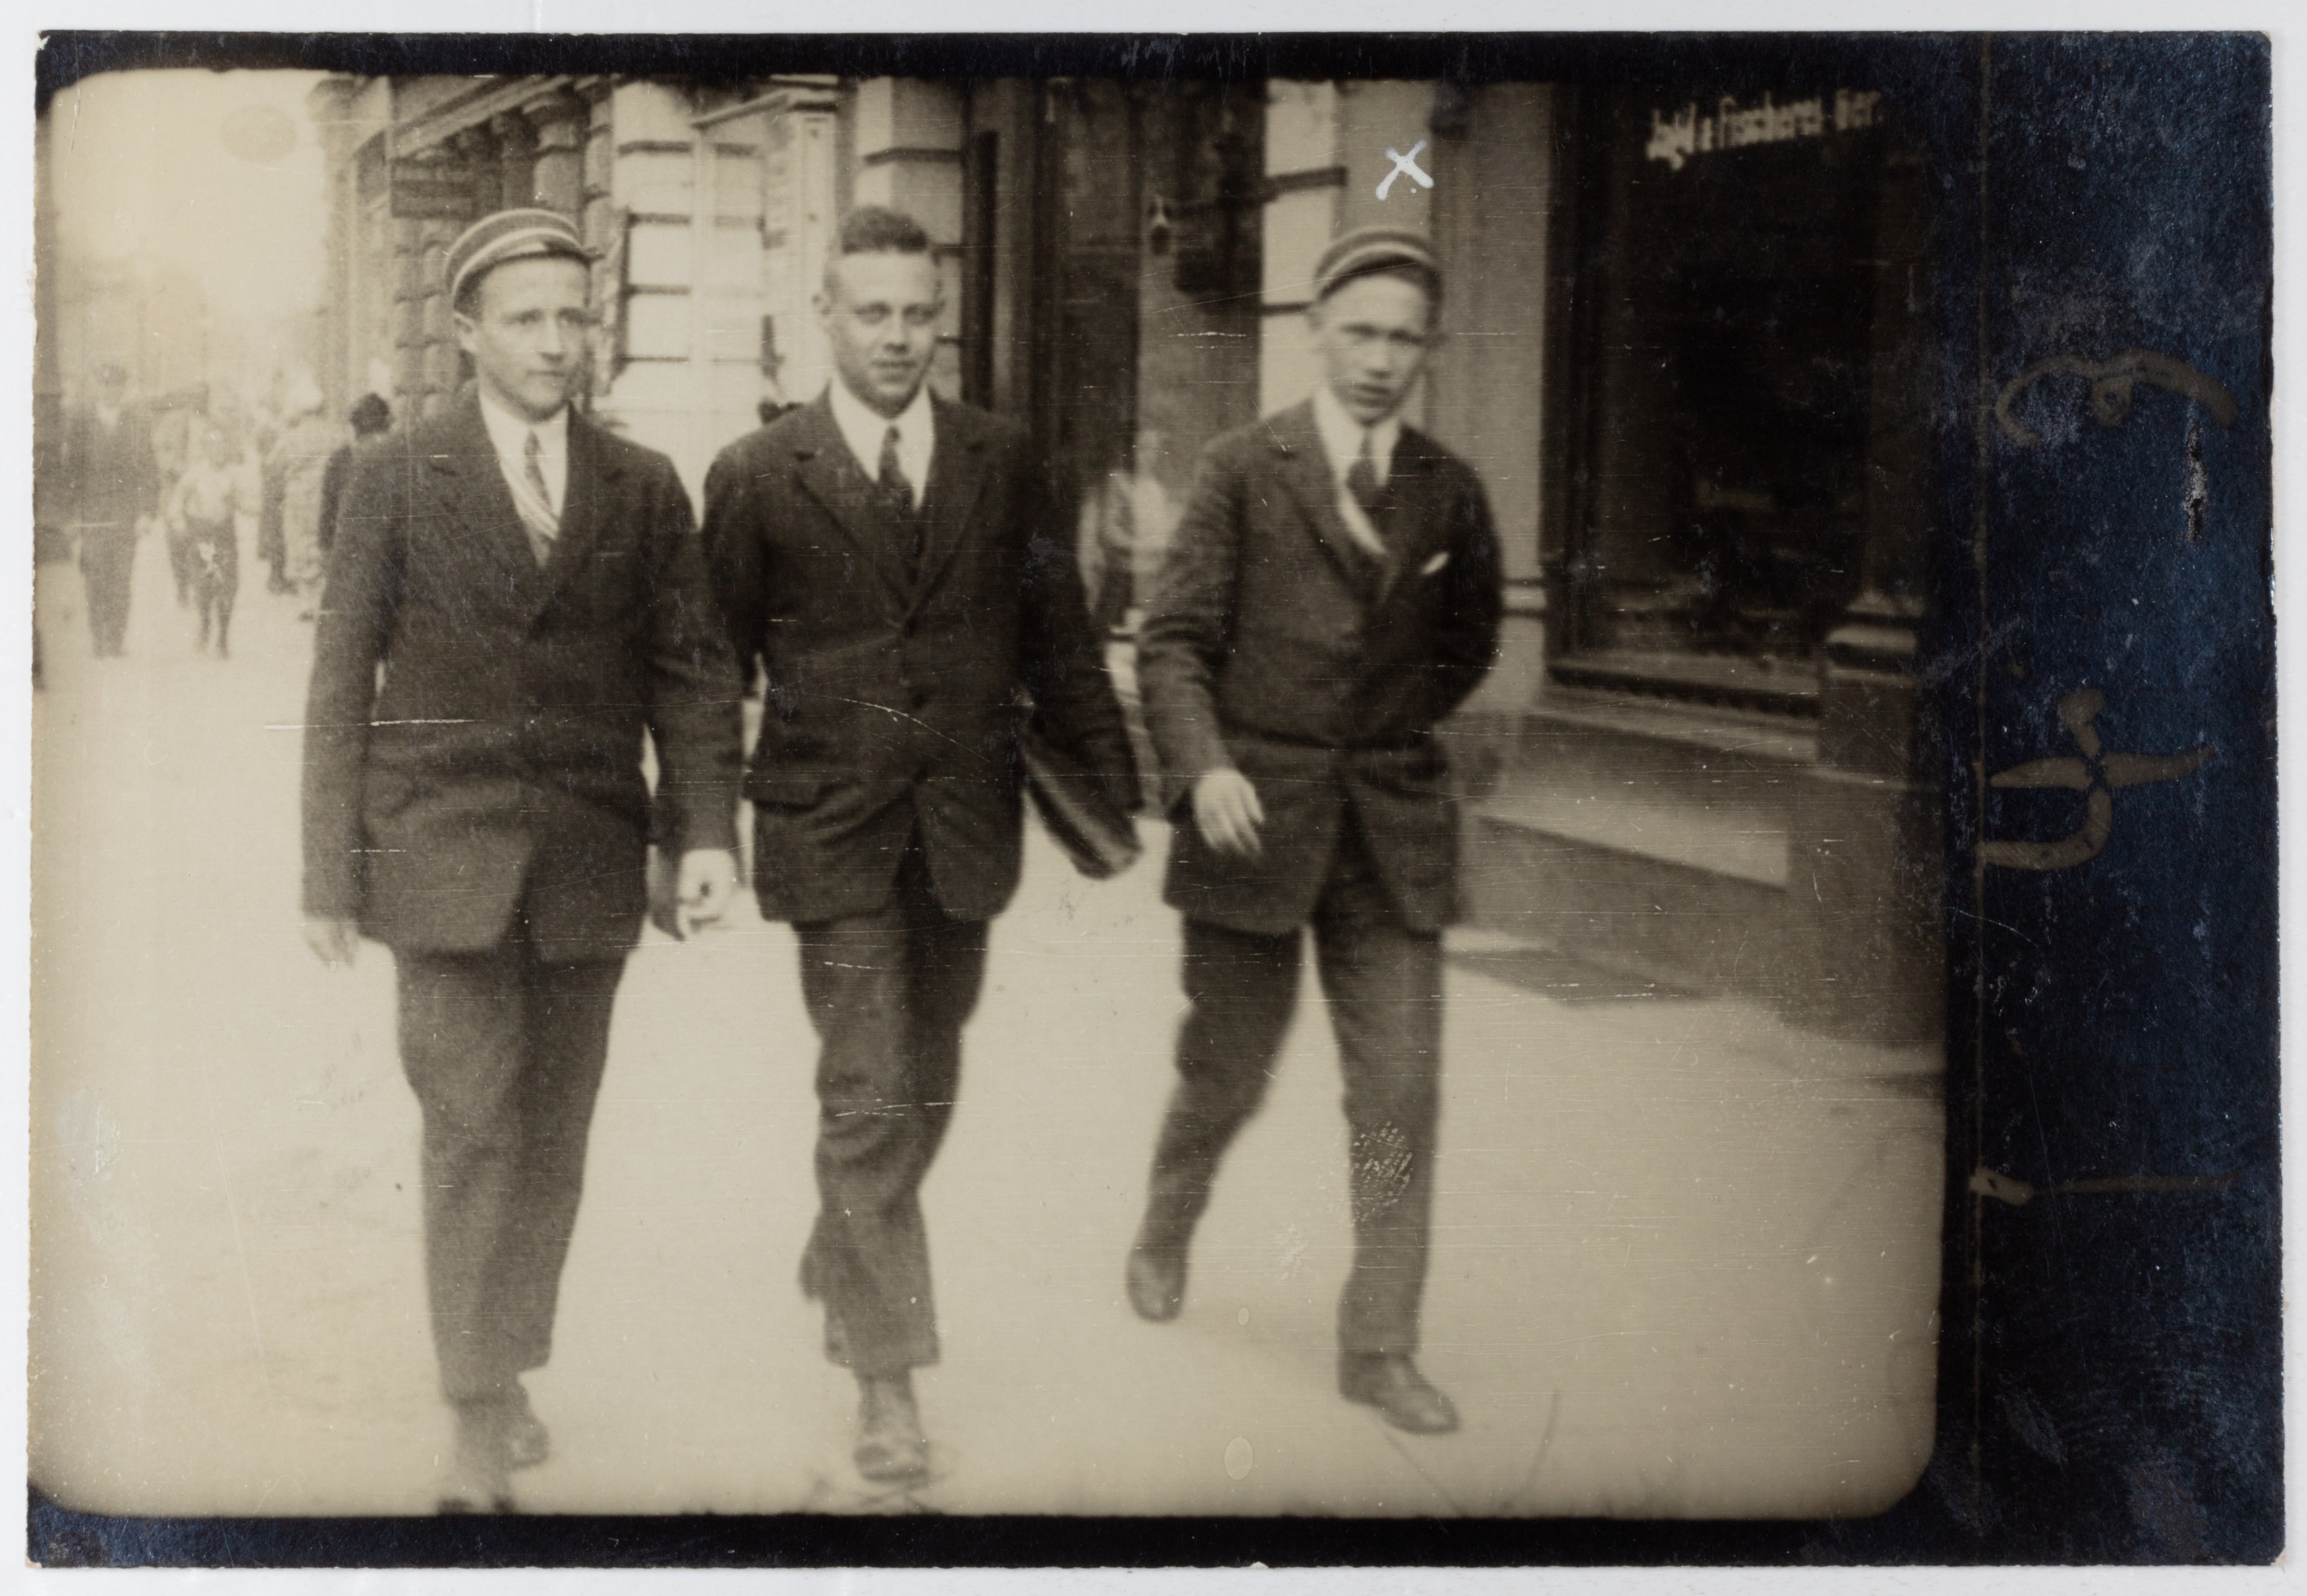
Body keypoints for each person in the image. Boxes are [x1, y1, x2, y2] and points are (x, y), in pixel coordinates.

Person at [300, 208, 745, 1512]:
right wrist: (327, 870)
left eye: (572, 316)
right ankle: (476, 1413)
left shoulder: (642, 485)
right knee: (470, 1130)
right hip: (440, 858)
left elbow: (692, 674)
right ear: (467, 332)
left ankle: (505, 1359)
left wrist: (704, 831)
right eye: (526, 319)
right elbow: (338, 677)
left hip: (588, 865)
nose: (556, 342)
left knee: (551, 1142)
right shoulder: (395, 475)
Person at [697, 205, 1138, 1486]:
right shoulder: (757, 471)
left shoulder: (1003, 458)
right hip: (828, 829)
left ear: (942, 320)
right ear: (826, 316)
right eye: (873, 312)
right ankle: (887, 1383)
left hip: (963, 826)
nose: (897, 336)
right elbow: (709, 667)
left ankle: (848, 1239)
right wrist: (703, 827)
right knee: (872, 1088)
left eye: (917, 314)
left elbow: (1059, 631)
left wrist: (1112, 797)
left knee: (928, 1074)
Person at [1124, 227, 1503, 1435]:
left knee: (1398, 1094)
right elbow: (1172, 642)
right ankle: (1168, 1219)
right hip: (1250, 829)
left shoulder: (1449, 490)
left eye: (1405, 340)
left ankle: (1380, 1343)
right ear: (1316, 333)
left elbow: (1467, 644)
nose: (1382, 359)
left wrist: (1381, 735)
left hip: (1392, 840)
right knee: (1226, 1071)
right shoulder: (1243, 467)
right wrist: (1206, 765)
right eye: (1362, 333)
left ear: (1429, 350)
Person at [61, 362, 160, 658]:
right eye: (105, 385)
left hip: (125, 515)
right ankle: (98, 637)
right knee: (95, 578)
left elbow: (149, 470)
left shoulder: (136, 423)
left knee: (120, 578)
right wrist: (72, 515)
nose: (110, 391)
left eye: (116, 386)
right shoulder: (81, 423)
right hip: (92, 514)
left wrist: (146, 513)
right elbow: (71, 473)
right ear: (97, 387)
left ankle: (116, 639)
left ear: (123, 389)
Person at [162, 418, 250, 657]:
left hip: (225, 534)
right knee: (203, 587)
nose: (218, 450)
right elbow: (175, 505)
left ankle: (222, 638)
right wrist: (179, 524)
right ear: (205, 448)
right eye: (212, 445)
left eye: (221, 445)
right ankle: (204, 625)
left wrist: (240, 500)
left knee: (227, 587)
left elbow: (249, 505)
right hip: (201, 536)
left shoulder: (233, 474)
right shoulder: (195, 475)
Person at [315, 393, 394, 565]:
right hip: (384, 555)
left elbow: (328, 511)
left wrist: (325, 550)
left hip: (347, 552)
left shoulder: (340, 457)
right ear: (386, 424)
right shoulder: (394, 456)